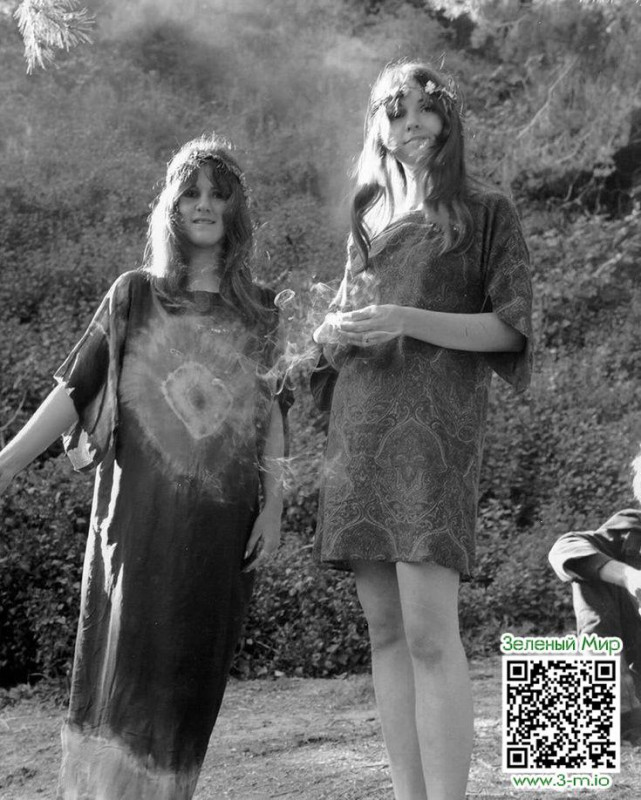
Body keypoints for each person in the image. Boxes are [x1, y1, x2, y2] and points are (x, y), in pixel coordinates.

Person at [0, 134, 291, 800]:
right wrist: (8, 461)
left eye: (219, 193)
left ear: (237, 209)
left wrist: (274, 506)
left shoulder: (261, 311)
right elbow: (75, 388)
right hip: (134, 527)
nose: (204, 204)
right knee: (119, 676)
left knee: (188, 682)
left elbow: (274, 414)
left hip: (218, 533)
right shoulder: (134, 295)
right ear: (171, 205)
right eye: (190, 192)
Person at [312, 60, 533, 800]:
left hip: (436, 435)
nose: (411, 124)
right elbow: (347, 324)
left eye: (424, 109)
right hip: (360, 431)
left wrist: (405, 319)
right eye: (395, 111)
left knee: (432, 635)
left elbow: (510, 328)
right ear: (378, 126)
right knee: (385, 633)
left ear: (448, 119)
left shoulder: (485, 209)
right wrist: (329, 332)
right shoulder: (367, 213)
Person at [548, 451, 641, 742]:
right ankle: (614, 702)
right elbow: (566, 548)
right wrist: (629, 576)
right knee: (590, 569)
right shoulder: (631, 531)